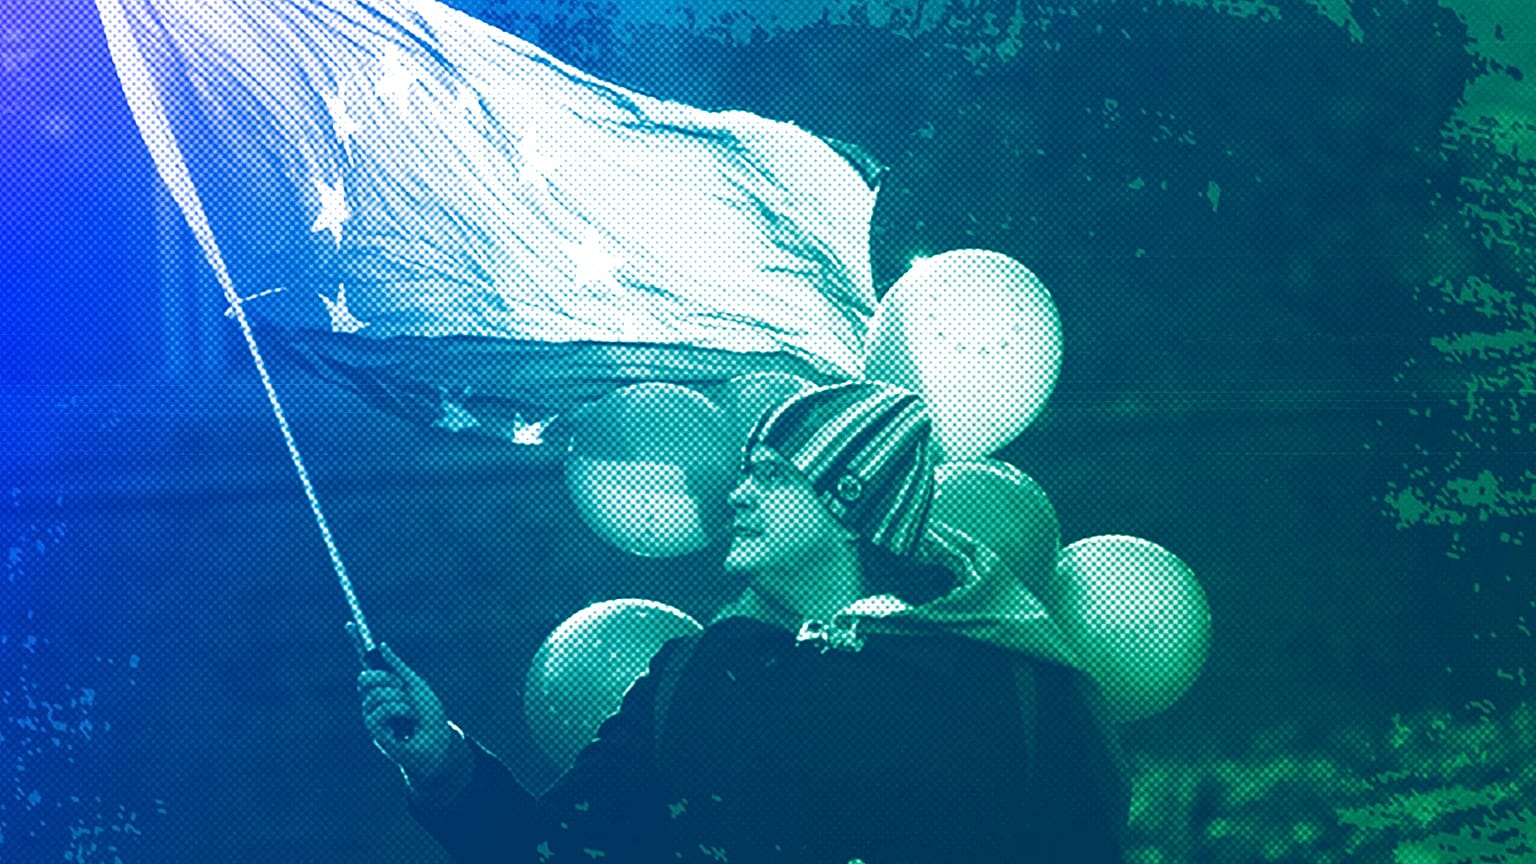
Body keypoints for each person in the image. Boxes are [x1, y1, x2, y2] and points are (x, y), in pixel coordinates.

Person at [357, 381, 1131, 863]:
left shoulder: (1017, 689)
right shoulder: (694, 675)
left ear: (848, 504)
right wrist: (443, 765)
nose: (738, 494)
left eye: (770, 474)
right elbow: (558, 852)